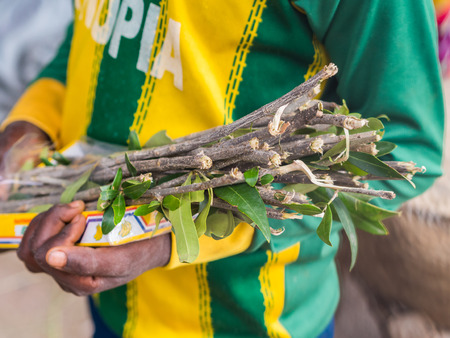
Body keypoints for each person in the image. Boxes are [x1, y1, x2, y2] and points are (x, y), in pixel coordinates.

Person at [0, 1, 444, 337]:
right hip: (115, 306)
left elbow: (406, 144)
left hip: (249, 317)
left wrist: (179, 232)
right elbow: (92, 34)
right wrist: (32, 125)